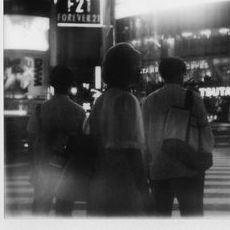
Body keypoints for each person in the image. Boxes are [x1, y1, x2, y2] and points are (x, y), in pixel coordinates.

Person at [142, 57, 214, 216]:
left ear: (162, 75)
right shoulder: (192, 98)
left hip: (159, 168)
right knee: (192, 215)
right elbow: (205, 131)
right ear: (181, 74)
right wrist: (206, 153)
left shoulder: (149, 100)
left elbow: (145, 135)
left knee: (161, 216)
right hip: (189, 167)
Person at [86, 43, 149, 216]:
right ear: (125, 69)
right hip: (123, 186)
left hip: (99, 184)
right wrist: (144, 191)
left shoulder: (101, 100)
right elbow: (131, 150)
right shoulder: (126, 100)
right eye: (136, 66)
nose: (139, 71)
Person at [27, 65, 86, 216]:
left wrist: (32, 166)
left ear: (52, 83)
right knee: (64, 212)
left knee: (40, 211)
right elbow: (82, 143)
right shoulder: (79, 112)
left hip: (42, 169)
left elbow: (31, 140)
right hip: (67, 170)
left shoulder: (40, 110)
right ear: (71, 84)